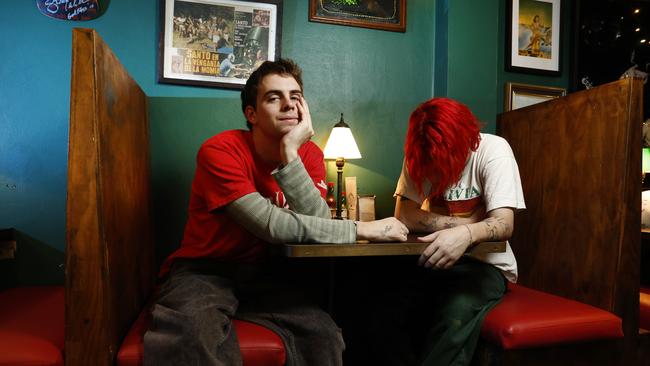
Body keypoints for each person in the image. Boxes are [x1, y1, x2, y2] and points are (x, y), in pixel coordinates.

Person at [143, 58, 408, 366]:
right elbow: (270, 225)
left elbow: (318, 224)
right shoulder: (219, 151)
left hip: (266, 274)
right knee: (192, 333)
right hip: (204, 270)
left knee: (323, 336)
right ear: (251, 114)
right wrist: (360, 228)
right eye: (274, 97)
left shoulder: (308, 154)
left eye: (295, 97)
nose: (288, 105)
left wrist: (290, 155)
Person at [367, 97, 525, 366]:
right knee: (381, 302)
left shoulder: (493, 150)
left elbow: (503, 224)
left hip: (486, 266)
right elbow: (404, 215)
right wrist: (471, 225)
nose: (435, 176)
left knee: (455, 311)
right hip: (433, 260)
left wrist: (465, 236)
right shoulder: (420, 151)